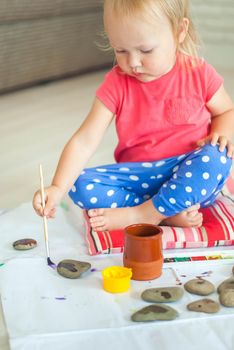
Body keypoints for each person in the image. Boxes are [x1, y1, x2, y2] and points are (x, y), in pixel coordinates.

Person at [33, 0, 234, 233]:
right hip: (138, 177)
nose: (133, 63)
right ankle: (166, 212)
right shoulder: (117, 83)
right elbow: (85, 140)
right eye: (121, 51)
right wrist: (57, 187)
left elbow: (227, 111)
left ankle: (145, 213)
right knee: (80, 185)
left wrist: (222, 132)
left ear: (179, 31)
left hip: (188, 173)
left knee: (217, 157)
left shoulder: (199, 73)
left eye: (146, 50)